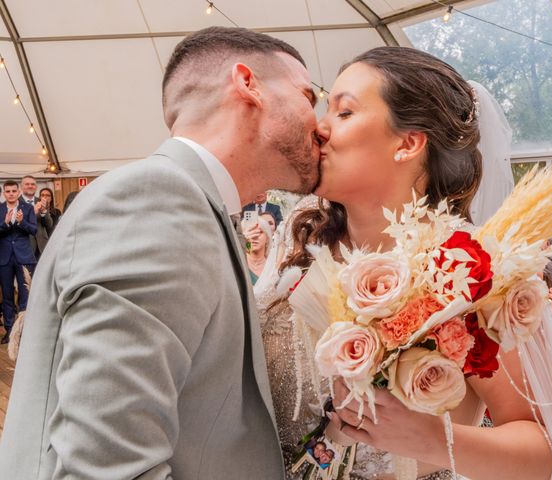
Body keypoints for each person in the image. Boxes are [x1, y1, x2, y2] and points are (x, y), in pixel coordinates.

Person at [0, 26, 320, 478]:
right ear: (248, 84)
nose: (320, 123)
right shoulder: (158, 197)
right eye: (309, 96)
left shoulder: (194, 204)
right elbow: (105, 467)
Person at [256, 47, 552, 480]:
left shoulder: (472, 271)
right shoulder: (296, 242)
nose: (320, 128)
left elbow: (543, 453)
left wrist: (435, 441)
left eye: (344, 112)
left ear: (408, 143)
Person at [0, 180, 37, 344]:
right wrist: (5, 224)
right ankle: (9, 331)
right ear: (4, 193)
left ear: (19, 192)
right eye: (8, 191)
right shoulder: (0, 209)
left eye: (14, 191)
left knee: (25, 295)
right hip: (4, 258)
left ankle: (24, 330)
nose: (11, 194)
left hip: (24, 257)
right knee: (7, 296)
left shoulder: (27, 209)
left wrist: (22, 222)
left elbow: (34, 230)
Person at [20, 175, 53, 259]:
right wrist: (33, 213)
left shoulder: (41, 201)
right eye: (27, 184)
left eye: (33, 184)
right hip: (25, 247)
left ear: (36, 187)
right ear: (21, 186)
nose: (30, 186)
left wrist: (43, 212)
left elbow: (49, 225)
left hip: (42, 246)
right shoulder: (15, 202)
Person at [244, 218, 274, 286]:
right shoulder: (238, 264)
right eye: (250, 231)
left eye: (259, 232)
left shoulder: (273, 267)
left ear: (267, 238)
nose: (254, 236)